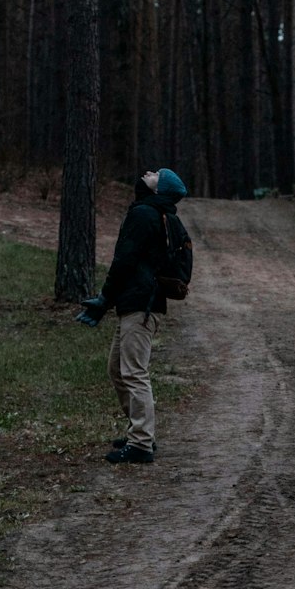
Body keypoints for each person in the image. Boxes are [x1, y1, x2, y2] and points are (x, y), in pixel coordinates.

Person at [76, 167, 189, 465]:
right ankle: (141, 433)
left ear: (158, 189)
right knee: (117, 369)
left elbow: (123, 261)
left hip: (141, 306)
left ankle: (140, 443)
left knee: (134, 373)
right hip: (137, 304)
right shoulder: (155, 213)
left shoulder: (144, 215)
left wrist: (103, 299)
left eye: (156, 174)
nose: (149, 172)